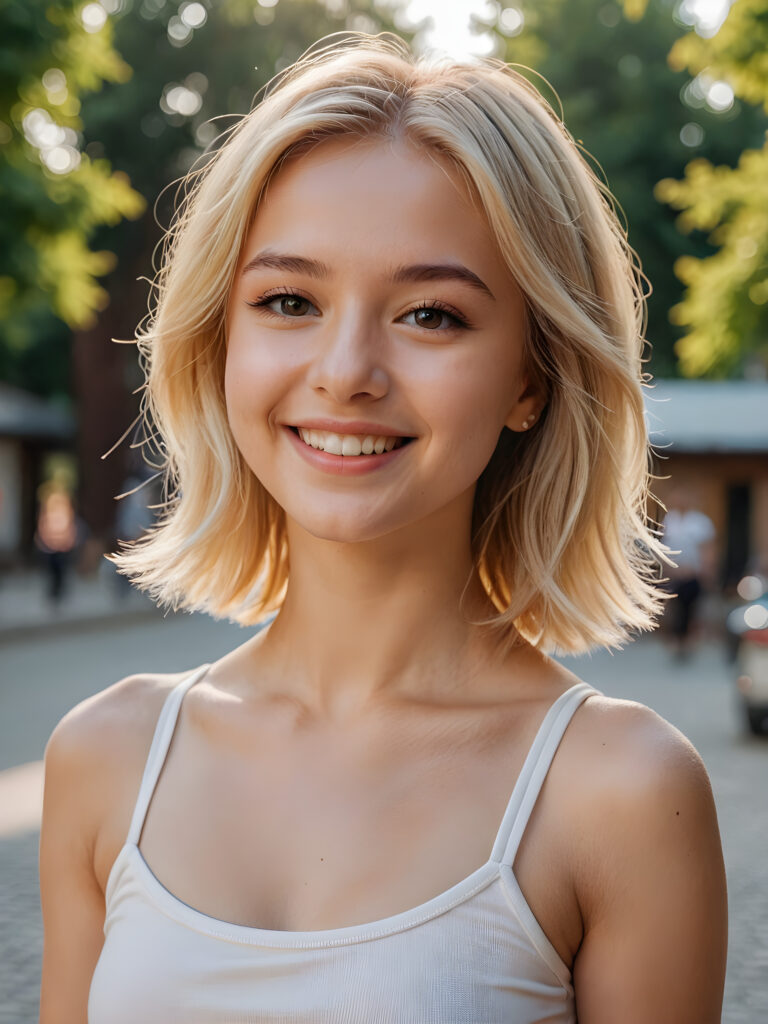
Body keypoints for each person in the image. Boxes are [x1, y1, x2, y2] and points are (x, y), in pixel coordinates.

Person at [39, 35, 727, 1023]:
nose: (346, 370)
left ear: (531, 377)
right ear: (221, 340)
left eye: (431, 315)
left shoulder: (621, 792)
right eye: (289, 301)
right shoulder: (103, 755)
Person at [661, 486, 717, 658]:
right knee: (675, 608)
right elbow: (663, 546)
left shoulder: (700, 522)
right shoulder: (669, 519)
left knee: (690, 607)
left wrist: (705, 571)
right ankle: (676, 640)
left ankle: (688, 641)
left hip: (693, 573)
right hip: (674, 572)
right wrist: (669, 569)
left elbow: (707, 549)